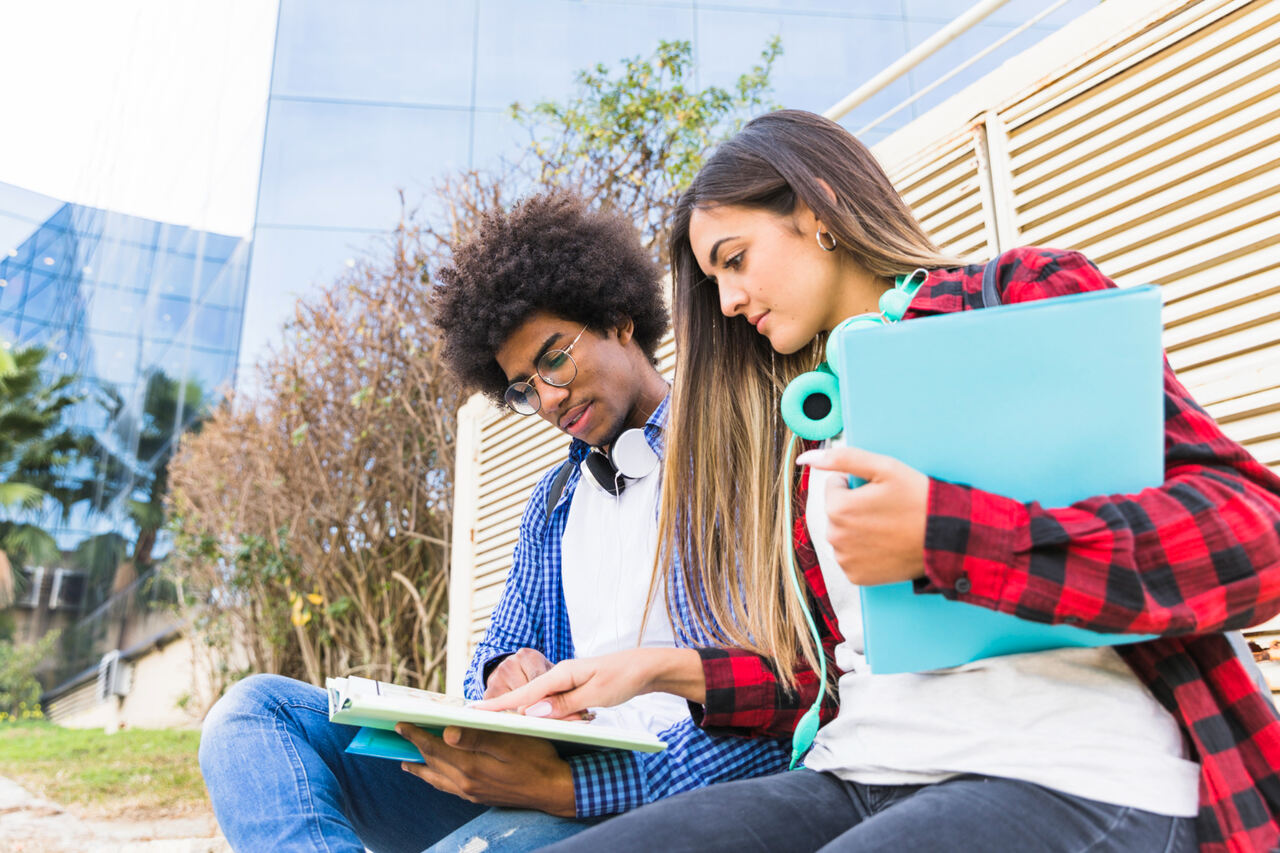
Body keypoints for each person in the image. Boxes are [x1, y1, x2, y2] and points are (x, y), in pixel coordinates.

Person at [479, 111, 1280, 852]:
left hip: (1071, 765)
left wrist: (944, 534)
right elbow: (834, 674)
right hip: (861, 766)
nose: (726, 302)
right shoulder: (810, 421)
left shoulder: (1015, 302)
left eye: (735, 260)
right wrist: (660, 666)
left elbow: (1251, 534)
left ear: (819, 209)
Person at [196, 191, 790, 853]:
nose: (547, 399)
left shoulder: (737, 451)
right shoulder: (555, 499)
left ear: (620, 319)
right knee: (253, 715)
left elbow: (781, 705)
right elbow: (490, 658)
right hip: (537, 767)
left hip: (654, 790)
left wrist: (566, 787)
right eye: (522, 386)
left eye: (553, 359)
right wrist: (505, 672)